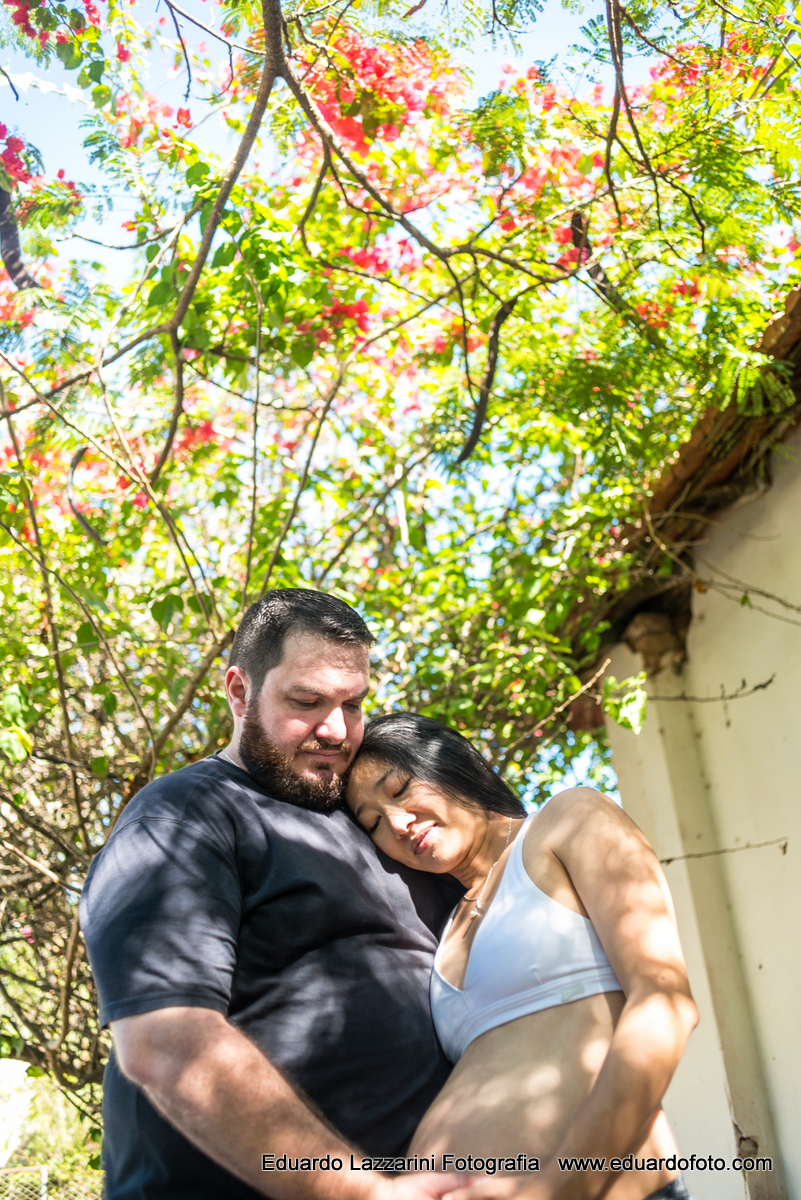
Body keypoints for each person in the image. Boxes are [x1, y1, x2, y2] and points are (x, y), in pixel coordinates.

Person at [80, 590, 465, 1200]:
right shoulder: (183, 817)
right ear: (240, 692)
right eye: (307, 701)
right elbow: (166, 1044)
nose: (336, 729)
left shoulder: (390, 823)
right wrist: (366, 1194)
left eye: (354, 703)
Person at [346, 713, 700, 1200]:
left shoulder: (567, 820)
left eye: (401, 789)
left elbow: (665, 1004)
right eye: (374, 823)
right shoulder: (445, 926)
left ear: (449, 763)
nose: (399, 824)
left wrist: (557, 1189)